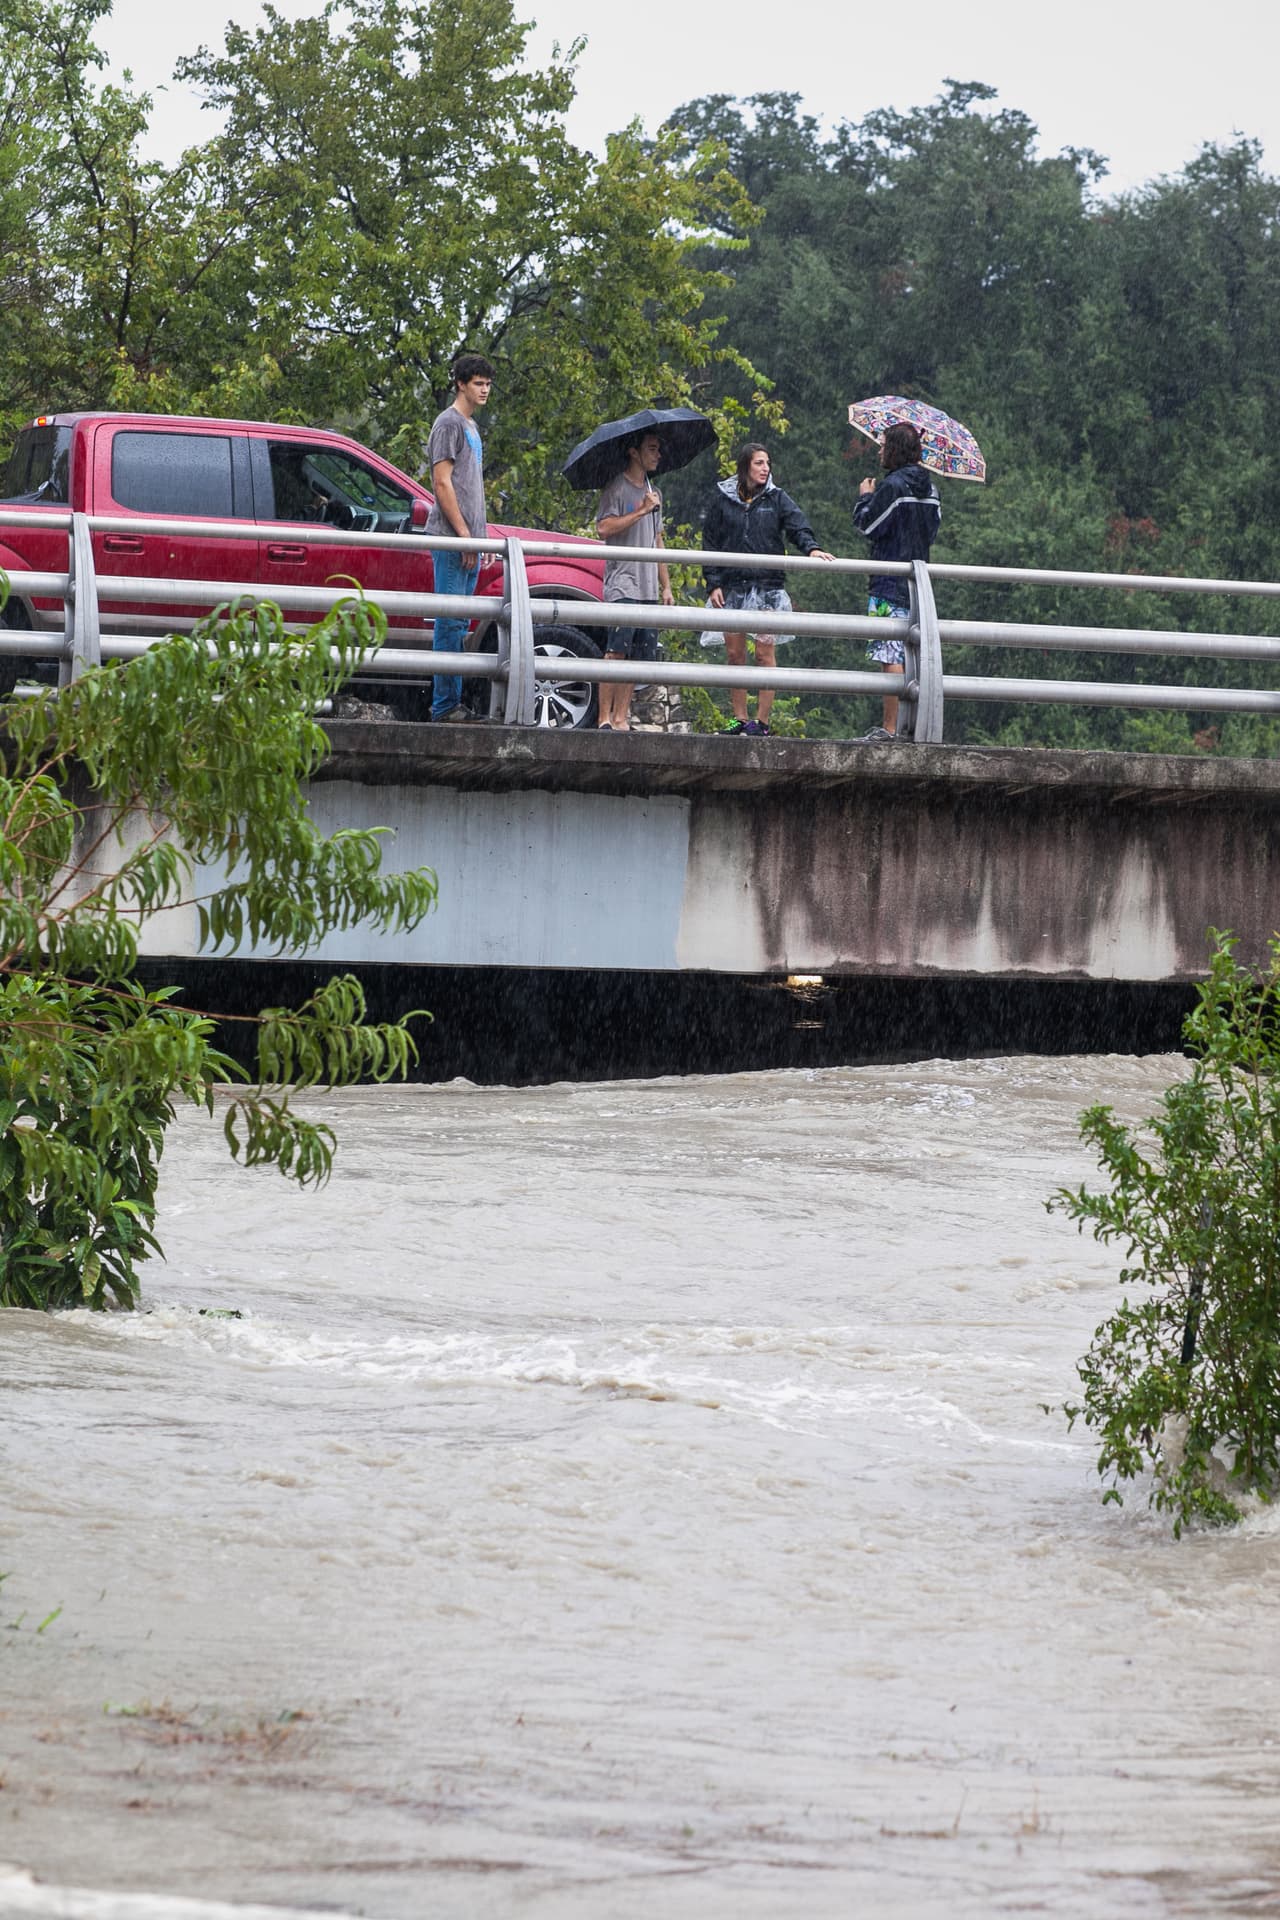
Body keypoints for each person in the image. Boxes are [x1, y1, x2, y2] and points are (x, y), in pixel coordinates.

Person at [701, 444, 832, 735]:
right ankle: (738, 719)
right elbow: (710, 541)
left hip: (767, 587)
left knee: (764, 654)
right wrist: (714, 583)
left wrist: (812, 549)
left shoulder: (777, 498)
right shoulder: (723, 499)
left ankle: (761, 722)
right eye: (759, 463)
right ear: (746, 465)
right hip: (732, 586)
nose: (765, 468)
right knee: (735, 655)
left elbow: (798, 526)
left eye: (768, 463)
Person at [852, 421, 941, 739]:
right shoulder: (930, 489)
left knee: (888, 654)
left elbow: (868, 527)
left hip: (888, 580)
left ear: (895, 449)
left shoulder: (892, 486)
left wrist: (865, 497)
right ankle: (911, 727)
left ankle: (890, 728)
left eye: (883, 444)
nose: (879, 450)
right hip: (919, 582)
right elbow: (931, 532)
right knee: (913, 655)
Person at [426, 352, 495, 724]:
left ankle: (452, 703)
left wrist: (481, 539)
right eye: (477, 383)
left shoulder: (471, 426)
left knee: (461, 624)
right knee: (450, 622)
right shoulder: (448, 424)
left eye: (487, 384)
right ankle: (444, 707)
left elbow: (471, 490)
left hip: (470, 541)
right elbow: (442, 482)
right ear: (461, 384)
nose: (484, 389)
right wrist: (465, 536)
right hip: (453, 541)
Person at [594, 431, 674, 730]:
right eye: (651, 449)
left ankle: (620, 717)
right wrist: (640, 510)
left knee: (637, 653)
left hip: (647, 584)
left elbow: (658, 540)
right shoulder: (617, 487)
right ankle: (603, 717)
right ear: (634, 452)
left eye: (658, 449)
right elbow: (603, 528)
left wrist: (665, 584)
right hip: (622, 581)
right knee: (616, 649)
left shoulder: (656, 493)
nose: (657, 455)